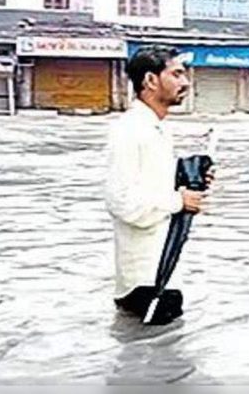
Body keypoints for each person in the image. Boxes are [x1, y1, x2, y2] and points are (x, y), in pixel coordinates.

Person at [104, 45, 210, 324]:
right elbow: (122, 201)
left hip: (163, 268)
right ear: (150, 80)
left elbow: (151, 183)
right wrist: (179, 201)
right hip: (146, 279)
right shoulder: (130, 130)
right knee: (149, 361)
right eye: (176, 74)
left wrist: (189, 178)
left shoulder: (157, 129)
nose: (185, 83)